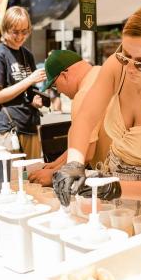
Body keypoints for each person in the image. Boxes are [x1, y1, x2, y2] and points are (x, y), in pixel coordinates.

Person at [53, 7, 141, 228]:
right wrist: (74, 161)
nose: (129, 67)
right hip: (108, 192)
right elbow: (85, 118)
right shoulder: (116, 67)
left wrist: (113, 186)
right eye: (125, 55)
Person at [28, 50, 111, 186]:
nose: (59, 91)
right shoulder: (100, 72)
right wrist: (55, 164)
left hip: (114, 176)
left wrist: (54, 174)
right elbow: (81, 143)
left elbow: (85, 154)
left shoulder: (83, 94)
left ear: (65, 75)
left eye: (55, 86)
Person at [0, 6, 46, 158]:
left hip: (29, 126)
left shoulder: (27, 55)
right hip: (7, 130)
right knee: (11, 180)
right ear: (5, 29)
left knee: (33, 178)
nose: (20, 36)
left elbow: (28, 93)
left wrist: (36, 100)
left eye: (24, 31)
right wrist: (29, 80)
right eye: (15, 32)